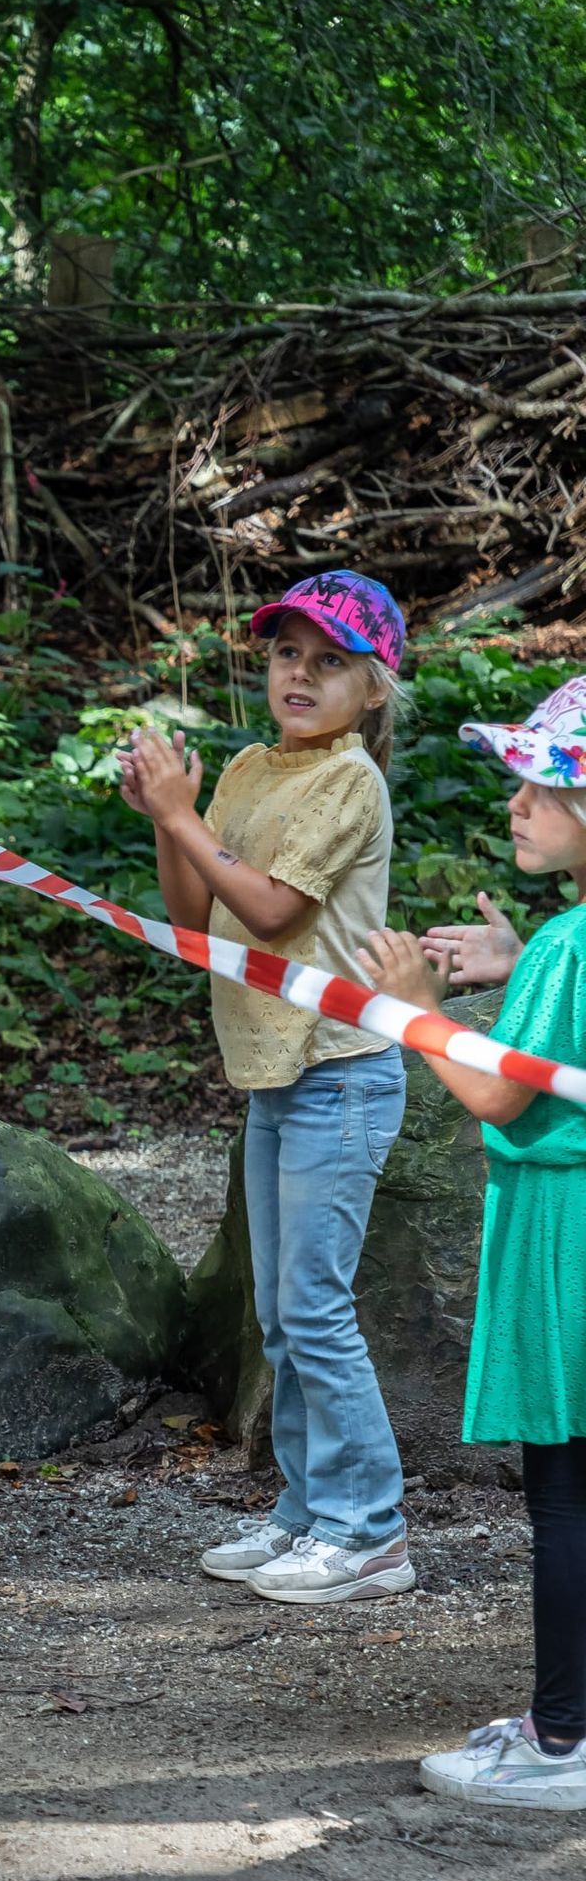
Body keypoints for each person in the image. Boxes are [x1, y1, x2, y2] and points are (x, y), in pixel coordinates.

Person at [120, 572, 414, 1604]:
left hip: (342, 1073)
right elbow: (195, 910)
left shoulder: (348, 784)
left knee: (317, 1311)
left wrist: (181, 812)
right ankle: (305, 1515)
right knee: (283, 1317)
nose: (302, 674)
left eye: (331, 662)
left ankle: (371, 1530)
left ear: (372, 689)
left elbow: (275, 911)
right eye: (290, 653)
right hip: (275, 1076)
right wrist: (172, 821)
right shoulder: (251, 767)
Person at [359, 674, 586, 1810]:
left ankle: (564, 1741)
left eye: (543, 786)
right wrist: (519, 970)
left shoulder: (571, 944)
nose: (516, 804)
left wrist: (419, 1013)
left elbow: (502, 1102)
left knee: (565, 1492)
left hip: (567, 1240)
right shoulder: (562, 946)